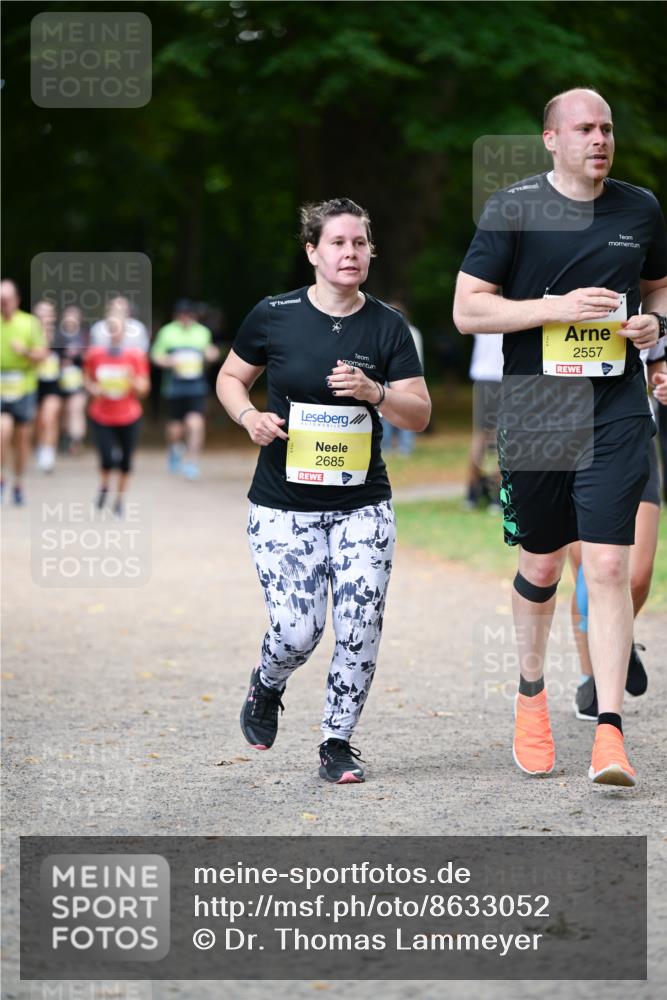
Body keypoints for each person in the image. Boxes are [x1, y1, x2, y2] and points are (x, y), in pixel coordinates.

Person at [453, 87, 667, 787]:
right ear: (552, 139)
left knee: (606, 567)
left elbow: (659, 288)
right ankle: (529, 693)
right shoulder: (513, 208)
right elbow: (466, 311)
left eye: (606, 127)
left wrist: (655, 332)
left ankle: (609, 732)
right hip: (537, 411)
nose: (599, 139)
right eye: (583, 128)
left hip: (614, 410)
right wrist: (554, 309)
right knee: (543, 565)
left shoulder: (640, 208)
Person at [217, 197, 431, 783]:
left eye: (359, 243)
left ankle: (337, 741)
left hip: (362, 504)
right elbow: (232, 377)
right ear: (312, 251)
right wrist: (248, 418)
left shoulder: (387, 325)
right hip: (283, 506)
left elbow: (419, 414)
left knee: (360, 624)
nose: (350, 253)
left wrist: (375, 392)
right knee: (298, 630)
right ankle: (268, 682)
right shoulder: (274, 314)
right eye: (337, 243)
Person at [573, 336, 666, 719]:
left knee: (635, 574)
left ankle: (617, 639)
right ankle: (592, 678)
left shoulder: (647, 285)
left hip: (628, 428)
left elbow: (657, 361)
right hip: (559, 420)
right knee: (589, 573)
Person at [83, 312, 150, 517]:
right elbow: (86, 379)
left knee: (126, 460)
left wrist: (132, 380)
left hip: (129, 415)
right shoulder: (94, 354)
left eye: (119, 328)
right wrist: (92, 388)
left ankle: (119, 500)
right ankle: (104, 486)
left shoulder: (135, 356)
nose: (114, 332)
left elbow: (144, 389)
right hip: (101, 414)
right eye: (110, 328)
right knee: (106, 456)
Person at [150, 299, 219, 479]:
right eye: (182, 315)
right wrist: (167, 361)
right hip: (174, 386)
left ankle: (192, 462)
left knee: (195, 423)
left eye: (189, 315)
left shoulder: (202, 332)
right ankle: (174, 448)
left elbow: (209, 350)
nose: (186, 318)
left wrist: (212, 353)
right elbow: (156, 355)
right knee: (175, 428)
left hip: (196, 385)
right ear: (176, 316)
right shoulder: (167, 332)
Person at [0, 280, 47, 503]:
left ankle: (18, 482)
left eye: (7, 298)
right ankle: (1, 478)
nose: (3, 303)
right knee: (2, 431)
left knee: (21, 440)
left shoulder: (30, 323)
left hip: (24, 387)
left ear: (16, 300)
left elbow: (42, 355)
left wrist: (25, 351)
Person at [381, 302, 425, 456]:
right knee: (398, 411)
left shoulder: (394, 331)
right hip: (408, 376)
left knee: (392, 411)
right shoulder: (414, 331)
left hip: (396, 375)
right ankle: (402, 447)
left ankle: (391, 446)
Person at [466, 332, 504, 509]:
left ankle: (472, 492)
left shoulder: (483, 309)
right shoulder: (514, 307)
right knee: (500, 436)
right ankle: (497, 492)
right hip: (502, 375)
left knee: (480, 436)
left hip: (482, 377)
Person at [34, 299, 62, 473]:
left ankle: (48, 454)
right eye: (41, 313)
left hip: (54, 384)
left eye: (48, 313)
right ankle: (41, 446)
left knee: (49, 418)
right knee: (38, 422)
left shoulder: (60, 336)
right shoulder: (29, 335)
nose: (45, 317)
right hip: (33, 383)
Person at [55, 305, 88, 455]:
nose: (71, 319)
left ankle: (76, 442)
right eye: (69, 315)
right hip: (58, 381)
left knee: (76, 409)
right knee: (63, 413)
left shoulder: (85, 337)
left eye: (75, 316)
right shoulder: (56, 336)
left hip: (78, 380)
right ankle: (63, 438)